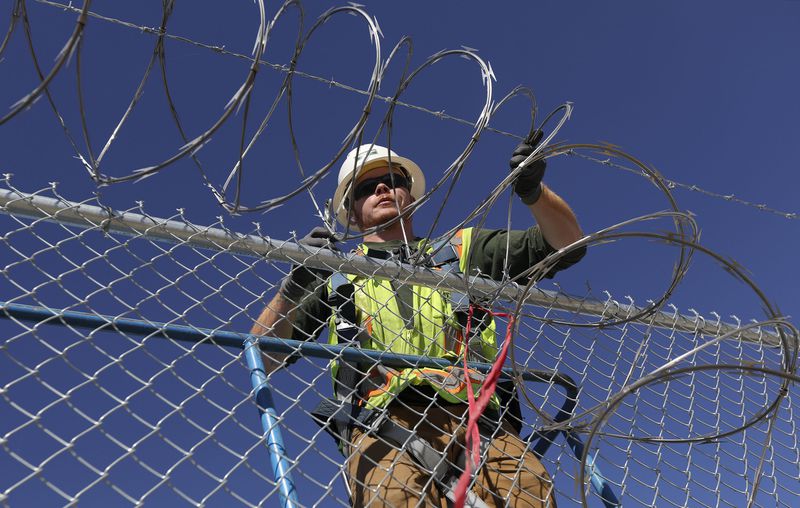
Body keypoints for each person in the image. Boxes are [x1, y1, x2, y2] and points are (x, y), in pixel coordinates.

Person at [251, 139, 585, 507]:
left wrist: (533, 191)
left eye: (393, 180)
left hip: (481, 419)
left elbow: (567, 245)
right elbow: (264, 354)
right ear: (352, 211)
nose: (382, 188)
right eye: (366, 188)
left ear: (410, 195)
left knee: (529, 496)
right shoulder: (333, 274)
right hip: (380, 425)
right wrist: (294, 284)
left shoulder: (461, 250)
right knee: (395, 500)